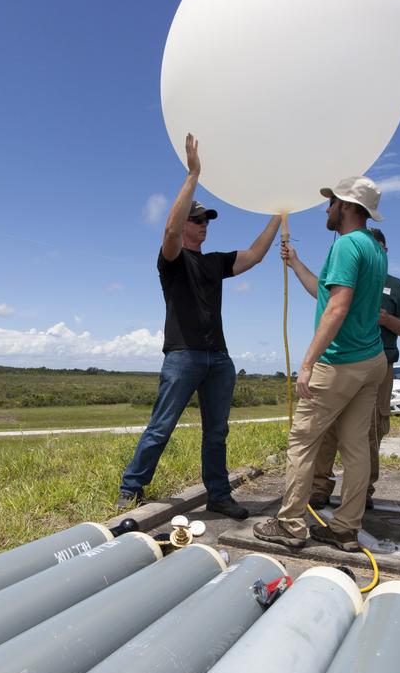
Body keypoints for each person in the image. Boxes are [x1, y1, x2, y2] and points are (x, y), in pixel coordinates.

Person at [117, 134, 281, 519]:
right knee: (162, 426)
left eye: (206, 220)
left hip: (218, 359)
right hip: (182, 356)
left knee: (217, 432)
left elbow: (255, 256)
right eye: (197, 219)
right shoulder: (172, 260)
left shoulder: (214, 263)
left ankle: (219, 496)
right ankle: (131, 487)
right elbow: (170, 234)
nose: (204, 225)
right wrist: (193, 174)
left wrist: (279, 214)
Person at [253, 177, 387, 553]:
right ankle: (345, 529)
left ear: (346, 206)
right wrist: (296, 264)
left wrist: (308, 362)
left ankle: (291, 524)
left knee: (302, 441)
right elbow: (324, 293)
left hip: (339, 363)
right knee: (356, 446)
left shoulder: (346, 245)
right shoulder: (375, 249)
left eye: (331, 203)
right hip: (371, 361)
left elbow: (337, 307)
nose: (326, 209)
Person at [304, 228, 400, 509]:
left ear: (383, 253)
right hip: (339, 362)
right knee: (326, 428)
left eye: (375, 248)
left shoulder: (396, 287)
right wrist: (294, 262)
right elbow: (325, 298)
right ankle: (319, 488)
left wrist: (386, 319)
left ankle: (361, 493)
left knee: (368, 431)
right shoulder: (345, 279)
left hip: (379, 365)